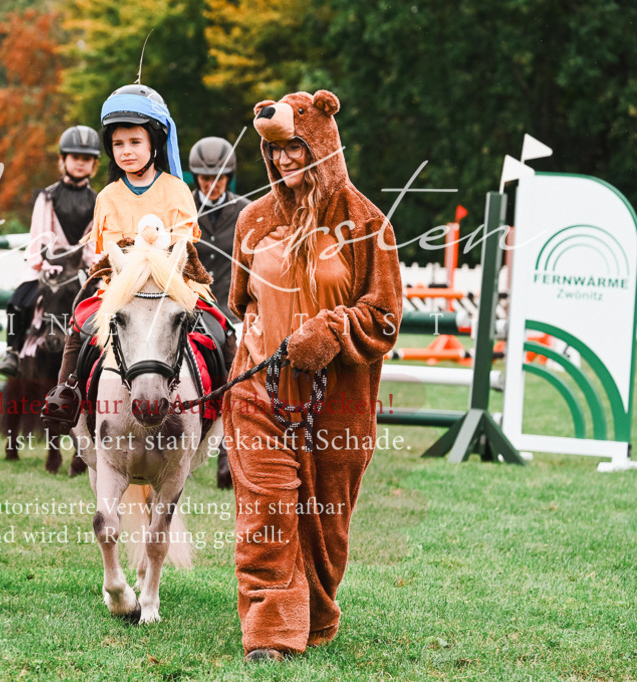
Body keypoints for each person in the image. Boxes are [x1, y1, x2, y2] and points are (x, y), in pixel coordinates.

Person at [223, 90, 403, 662]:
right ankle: (272, 632)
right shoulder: (253, 220)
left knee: (325, 522)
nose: (284, 161)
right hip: (259, 389)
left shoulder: (367, 222)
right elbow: (240, 303)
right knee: (267, 512)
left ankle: (317, 611)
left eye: (296, 148)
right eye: (275, 152)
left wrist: (331, 332)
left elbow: (385, 316)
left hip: (338, 400)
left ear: (322, 146)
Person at [40, 83, 205, 433]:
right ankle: (65, 396)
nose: (126, 151)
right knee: (80, 326)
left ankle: (227, 406)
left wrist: (154, 257)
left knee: (218, 332)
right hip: (121, 291)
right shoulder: (108, 196)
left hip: (171, 288)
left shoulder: (176, 190)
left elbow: (184, 243)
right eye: (118, 144)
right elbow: (109, 250)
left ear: (154, 145)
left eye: (135, 142)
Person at [0, 126, 101, 377]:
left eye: (86, 159)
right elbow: (39, 236)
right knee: (17, 303)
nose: (80, 163)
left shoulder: (99, 201)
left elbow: (94, 240)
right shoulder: (47, 196)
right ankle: (12, 351)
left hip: (81, 269)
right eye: (75, 158)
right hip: (46, 264)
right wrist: (44, 263)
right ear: (63, 160)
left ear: (93, 164)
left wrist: (91, 267)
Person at [188, 136, 251, 490]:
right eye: (205, 179)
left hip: (233, 313)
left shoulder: (247, 210)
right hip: (193, 309)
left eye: (220, 179)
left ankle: (229, 457)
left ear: (230, 177)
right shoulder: (181, 209)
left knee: (236, 385)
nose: (212, 185)